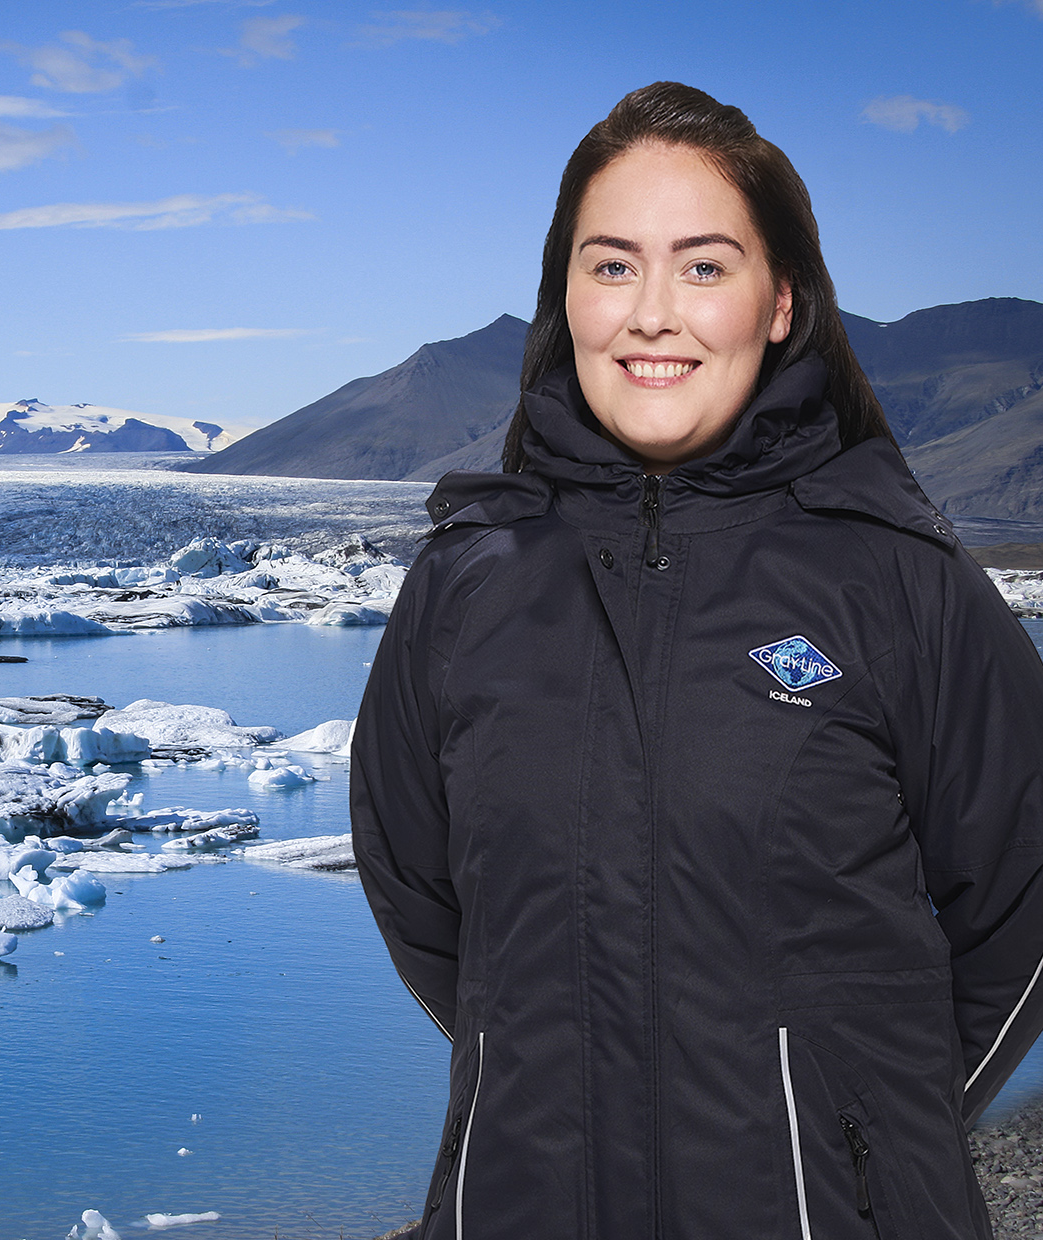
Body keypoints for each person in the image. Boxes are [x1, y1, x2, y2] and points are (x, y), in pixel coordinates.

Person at [351, 81, 1043, 1240]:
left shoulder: (896, 579)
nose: (650, 313)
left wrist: (858, 1123)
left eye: (704, 266)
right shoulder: (464, 583)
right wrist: (528, 1070)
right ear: (562, 294)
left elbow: (1022, 893)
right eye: (611, 265)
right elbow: (416, 893)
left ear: (780, 302)